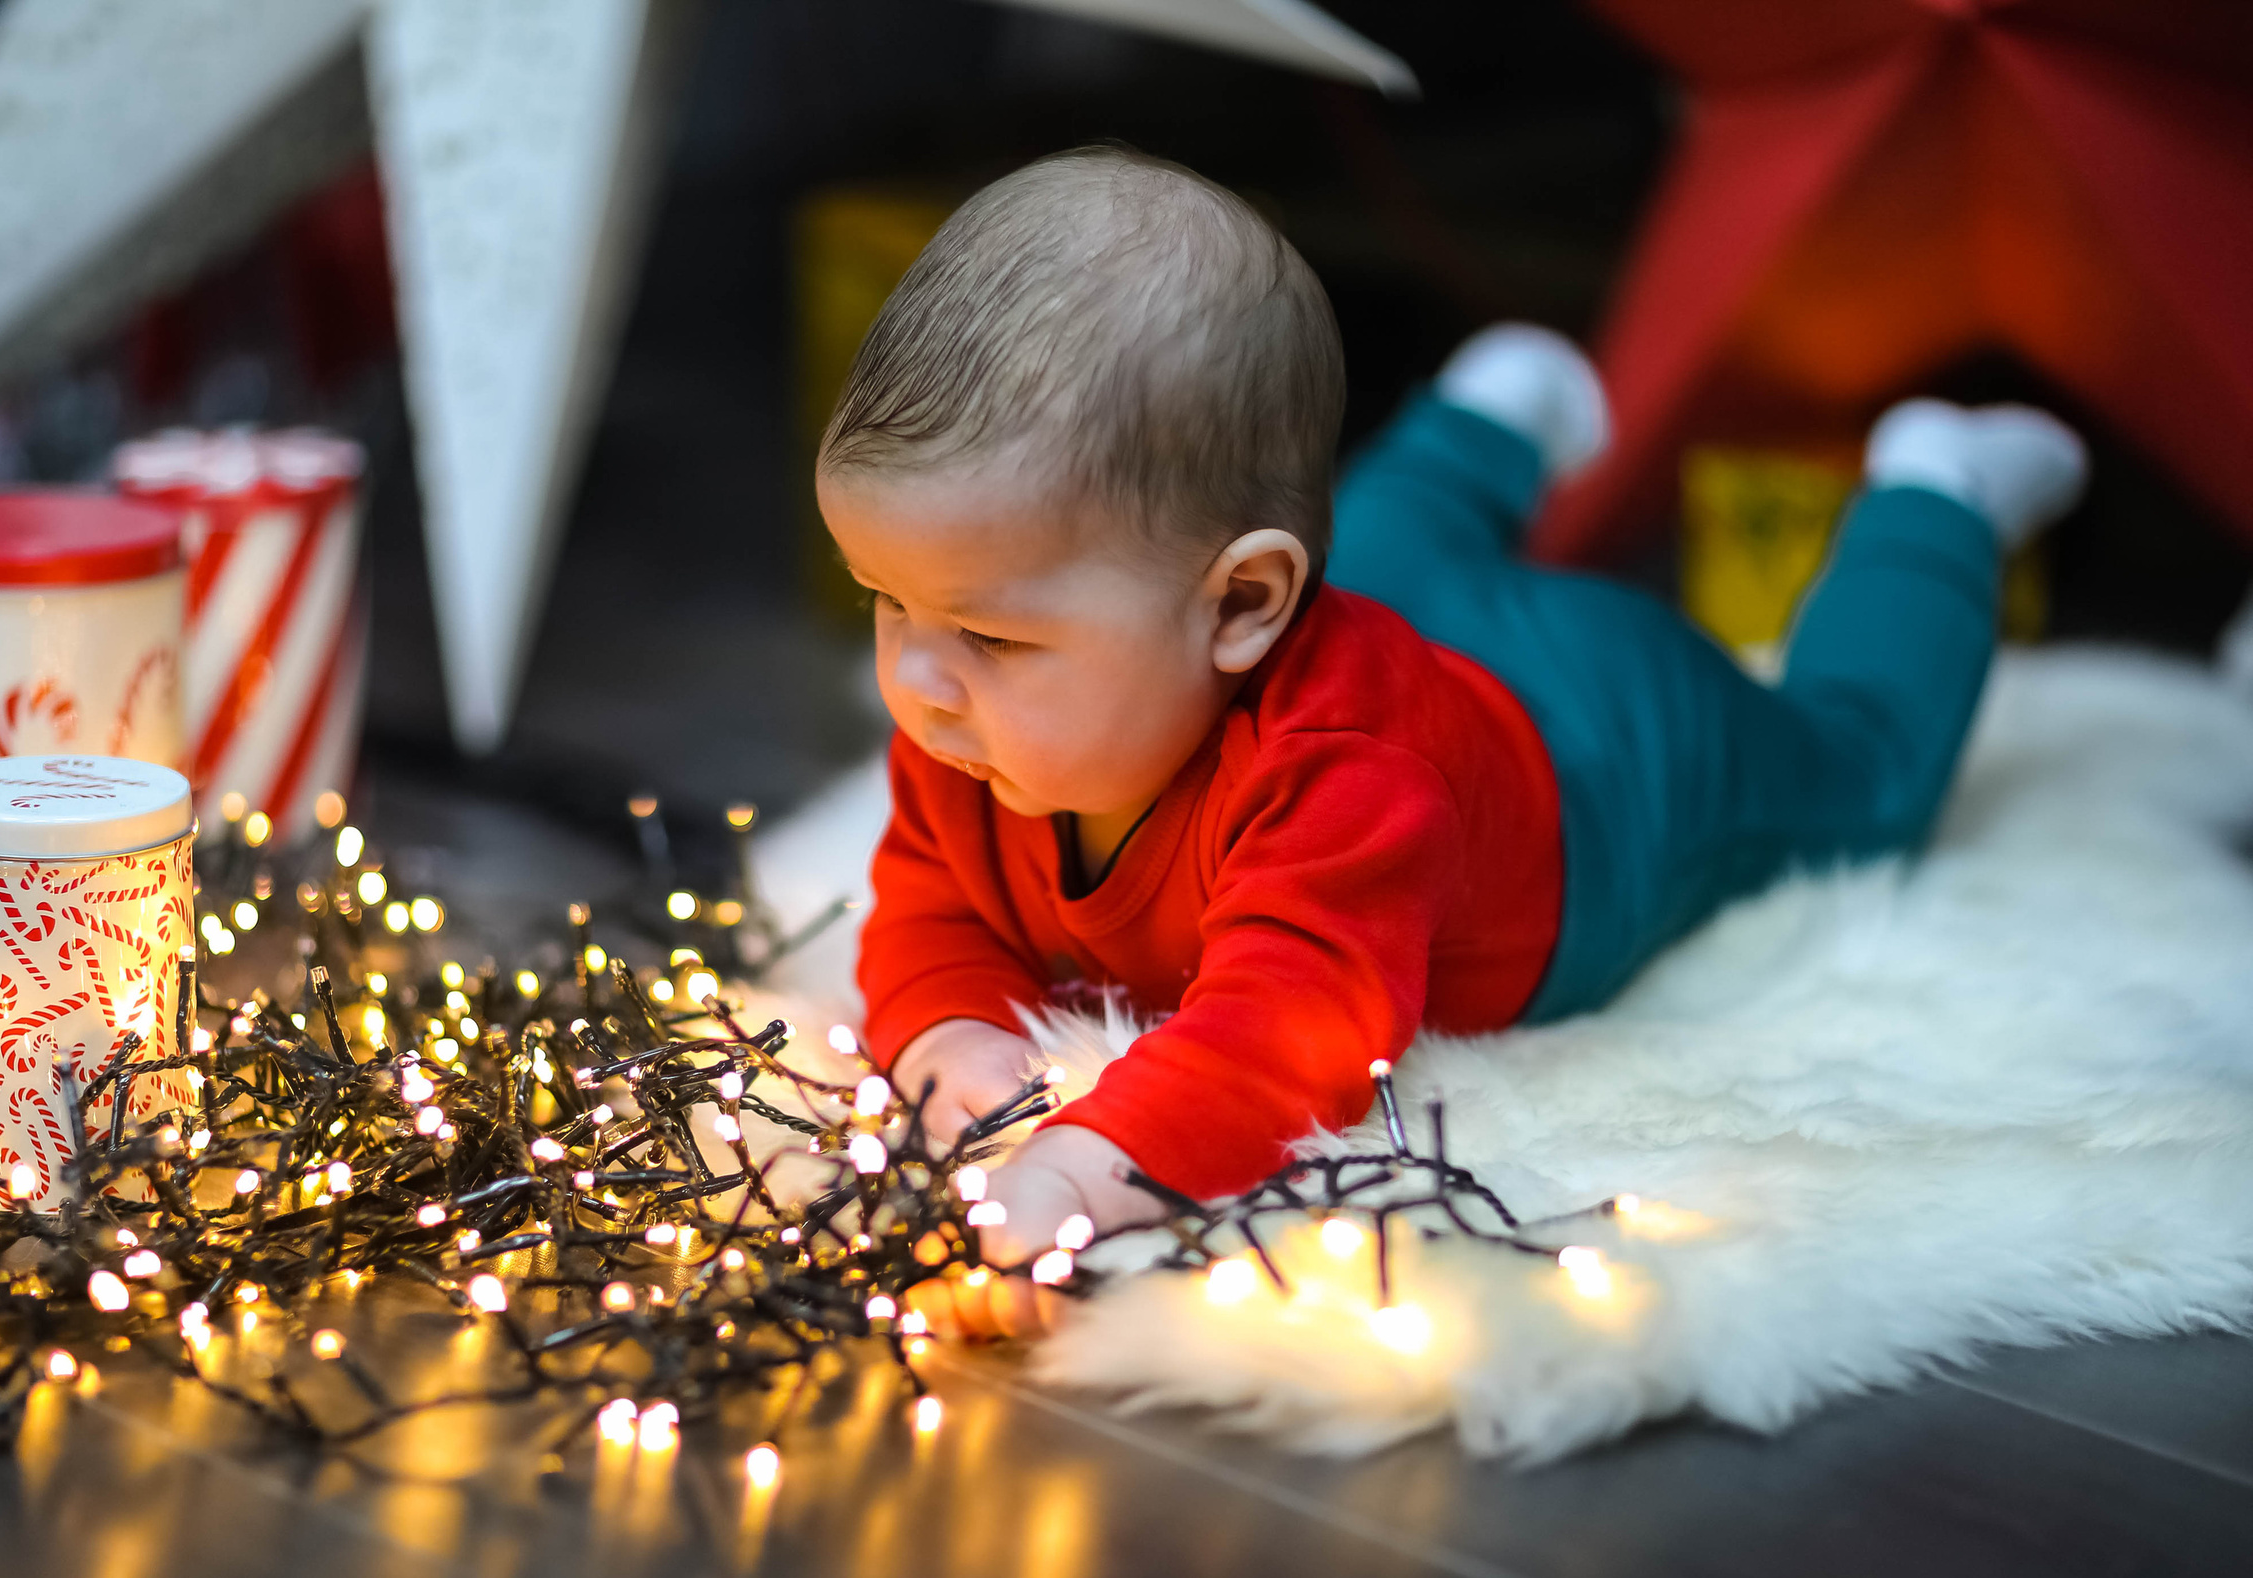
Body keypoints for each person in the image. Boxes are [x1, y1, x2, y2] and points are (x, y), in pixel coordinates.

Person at [819, 146, 2086, 1335]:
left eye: (988, 633)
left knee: (1856, 772)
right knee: (1385, 555)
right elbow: (930, 904)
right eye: (887, 601)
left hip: (1602, 758)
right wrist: (945, 1032)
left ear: (1248, 605)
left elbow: (1283, 1031)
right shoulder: (988, 716)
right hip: (1365, 620)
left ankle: (1938, 499)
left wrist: (1090, 1167)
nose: (916, 681)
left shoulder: (1345, 777)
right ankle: (1496, 413)